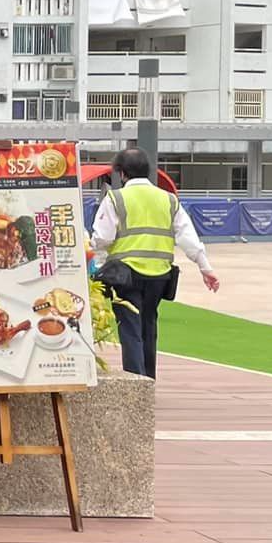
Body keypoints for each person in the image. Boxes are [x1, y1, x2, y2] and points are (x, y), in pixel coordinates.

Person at [90, 147, 220, 378]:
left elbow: (102, 238)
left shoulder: (115, 198)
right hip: (159, 276)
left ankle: (137, 384)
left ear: (121, 173)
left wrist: (95, 262)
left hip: (125, 275)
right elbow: (188, 237)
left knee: (130, 329)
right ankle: (148, 379)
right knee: (148, 326)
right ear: (149, 171)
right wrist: (205, 267)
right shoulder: (168, 200)